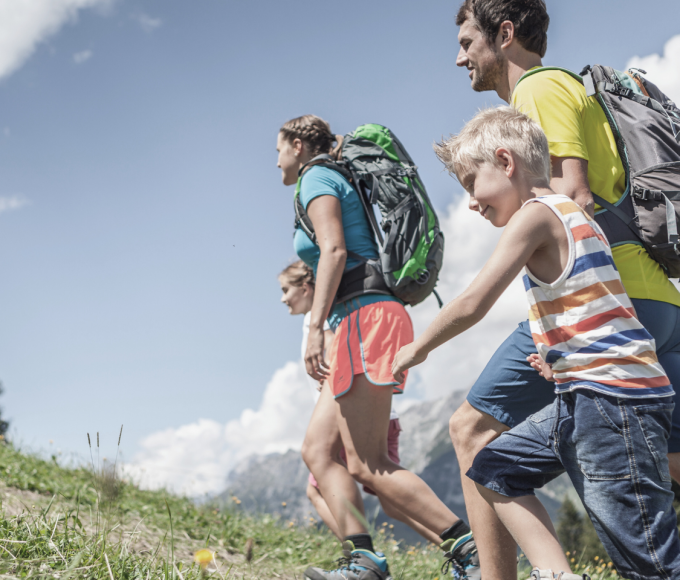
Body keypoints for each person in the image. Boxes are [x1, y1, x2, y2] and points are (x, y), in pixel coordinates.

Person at [392, 105, 680, 580]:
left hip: (612, 405)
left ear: (506, 162)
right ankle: (558, 575)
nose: (471, 202)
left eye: (471, 183)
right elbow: (596, 309)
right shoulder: (576, 217)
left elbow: (473, 302)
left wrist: (416, 349)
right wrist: (560, 361)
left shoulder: (536, 216)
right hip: (587, 394)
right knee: (494, 467)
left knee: (650, 563)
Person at [450, 1, 680, 578]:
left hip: (610, 304)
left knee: (471, 431)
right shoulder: (570, 89)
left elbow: (571, 195)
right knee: (670, 456)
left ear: (503, 35)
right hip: (658, 299)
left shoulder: (537, 91)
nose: (460, 58)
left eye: (466, 42)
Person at [276, 115, 480, 580]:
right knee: (319, 453)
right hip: (360, 318)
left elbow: (333, 251)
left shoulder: (316, 177)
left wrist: (313, 328)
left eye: (278, 150)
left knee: (368, 464)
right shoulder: (328, 175)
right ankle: (364, 561)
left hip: (364, 318)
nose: (277, 161)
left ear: (298, 145)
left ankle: (473, 554)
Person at [278, 260, 438, 545]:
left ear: (305, 287)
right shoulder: (325, 314)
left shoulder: (320, 317)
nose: (283, 298)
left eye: (285, 290)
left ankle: (363, 557)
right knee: (391, 500)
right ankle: (458, 551)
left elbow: (334, 351)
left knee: (319, 483)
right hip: (378, 412)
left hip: (350, 414)